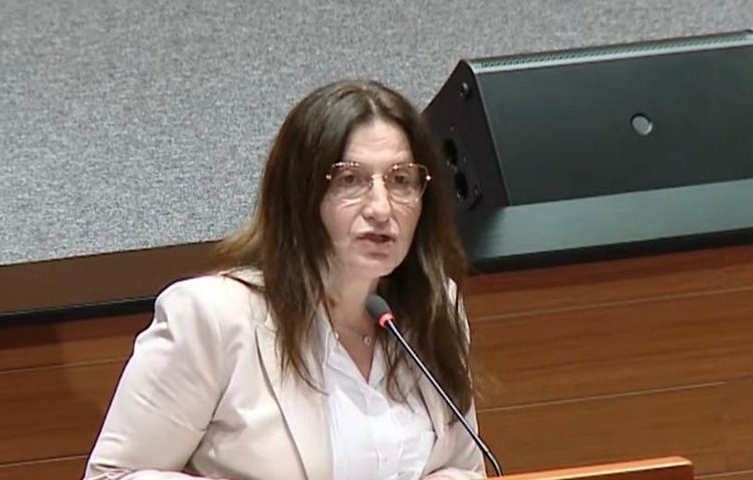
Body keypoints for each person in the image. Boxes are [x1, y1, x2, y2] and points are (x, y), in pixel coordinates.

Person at [84, 80, 484, 480]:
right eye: (350, 180)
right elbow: (113, 476)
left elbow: (463, 468)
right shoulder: (214, 318)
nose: (381, 208)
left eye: (401, 181)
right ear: (299, 196)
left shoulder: (433, 306)